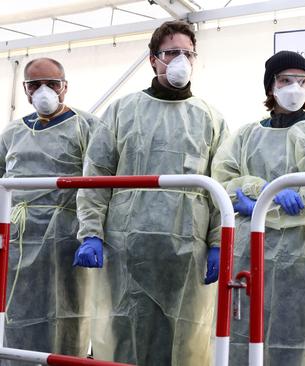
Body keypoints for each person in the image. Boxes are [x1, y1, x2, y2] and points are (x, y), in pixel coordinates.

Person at [74, 20, 229, 365]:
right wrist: (91, 234)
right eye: (172, 52)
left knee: (183, 340)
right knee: (127, 333)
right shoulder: (121, 111)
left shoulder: (211, 120)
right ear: (153, 59)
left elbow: (222, 186)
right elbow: (96, 174)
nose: (181, 61)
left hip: (187, 255)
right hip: (128, 250)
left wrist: (220, 241)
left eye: (188, 53)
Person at [212, 50, 305, 365]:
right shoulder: (247, 134)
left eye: (302, 81)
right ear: (271, 86)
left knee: (289, 341)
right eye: (285, 80)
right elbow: (223, 179)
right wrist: (263, 190)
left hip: (296, 256)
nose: (294, 87)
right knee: (239, 336)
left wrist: (259, 207)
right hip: (245, 251)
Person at [0, 58, 98, 363]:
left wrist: (93, 233)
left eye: (52, 84)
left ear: (65, 86)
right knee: (17, 312)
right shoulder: (13, 132)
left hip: (66, 238)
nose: (44, 91)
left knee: (65, 313)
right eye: (35, 85)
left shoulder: (86, 126)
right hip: (19, 239)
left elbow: (100, 180)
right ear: (26, 91)